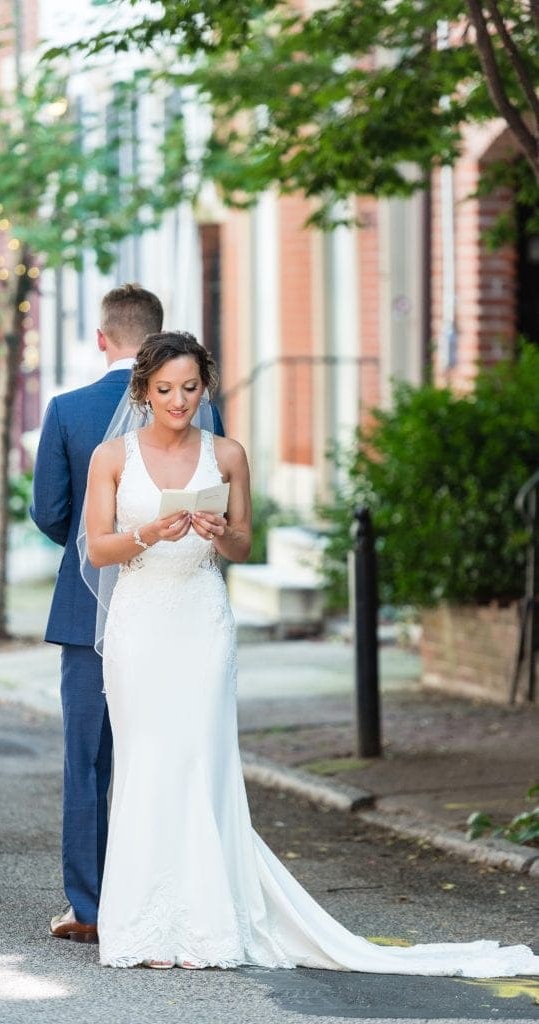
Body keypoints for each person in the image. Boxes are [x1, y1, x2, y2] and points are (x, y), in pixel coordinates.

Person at [83, 331, 539, 975]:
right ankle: (144, 926)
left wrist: (219, 531)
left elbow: (243, 547)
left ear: (204, 386)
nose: (179, 401)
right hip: (139, 624)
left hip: (202, 621)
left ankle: (208, 921)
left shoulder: (229, 454)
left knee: (200, 760)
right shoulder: (111, 456)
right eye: (165, 390)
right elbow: (97, 548)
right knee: (146, 760)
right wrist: (148, 532)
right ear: (143, 390)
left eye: (190, 388)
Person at [30, 284, 164, 944]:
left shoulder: (67, 411)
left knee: (88, 759)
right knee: (164, 752)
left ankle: (88, 908)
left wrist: (98, 551)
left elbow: (50, 512)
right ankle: (162, 895)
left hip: (86, 611)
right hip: (171, 608)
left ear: (102, 338)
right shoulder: (196, 410)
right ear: (161, 340)